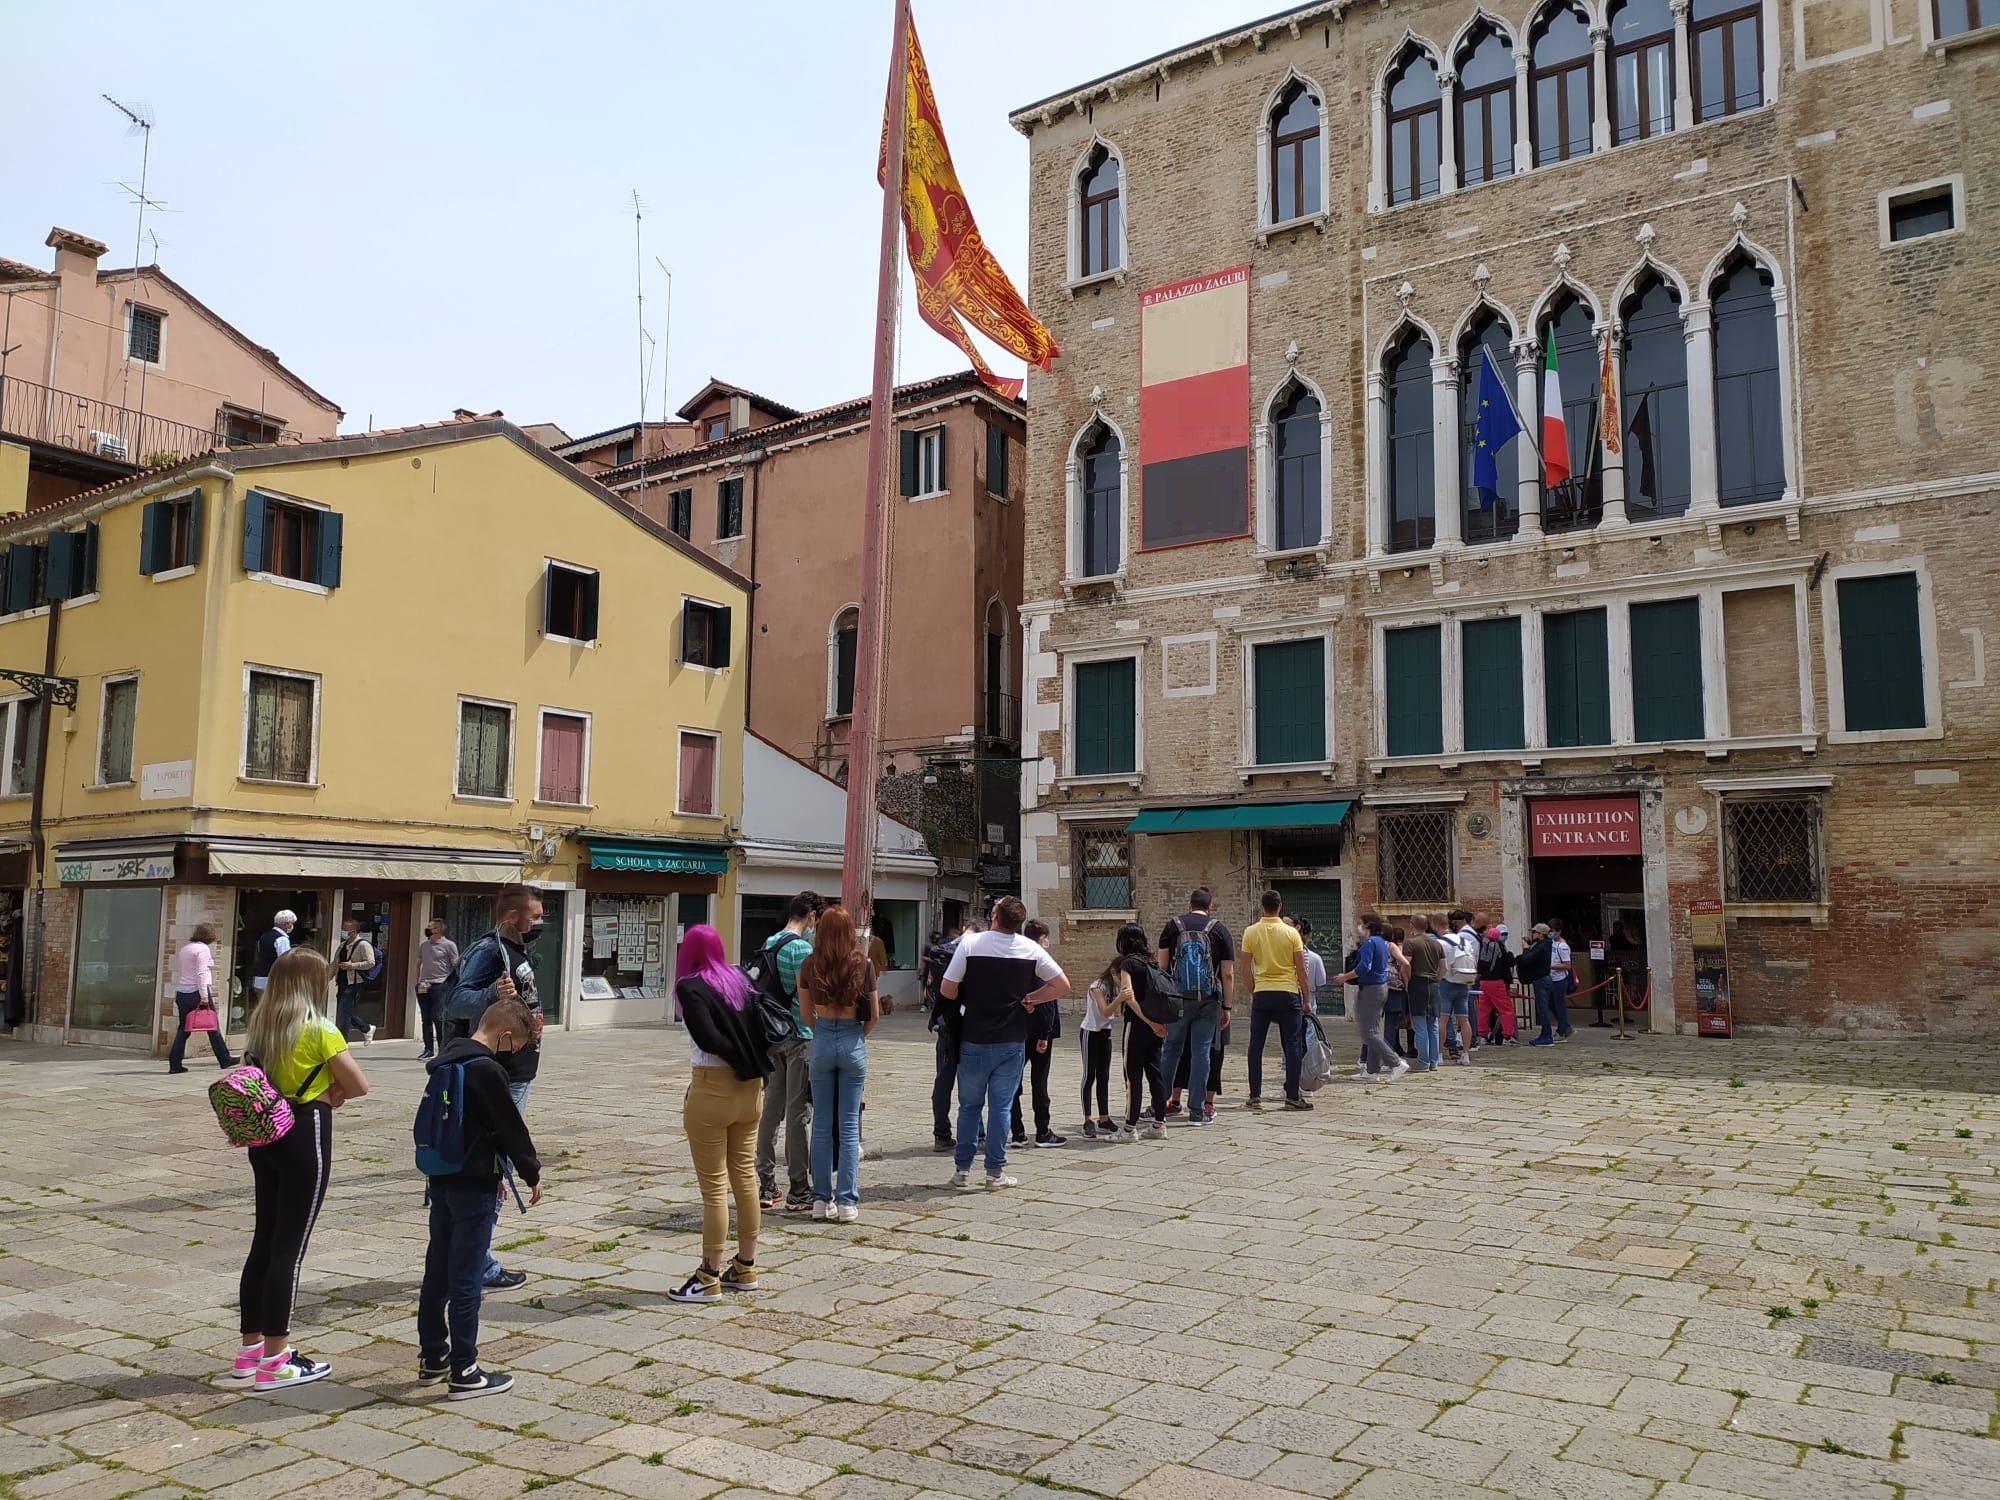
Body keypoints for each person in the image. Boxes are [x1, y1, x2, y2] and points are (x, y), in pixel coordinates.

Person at [226, 948, 368, 1393]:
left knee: (264, 1240)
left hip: (265, 1134)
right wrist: (331, 1092)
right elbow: (359, 1085)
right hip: (306, 1132)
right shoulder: (319, 1029)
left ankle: (250, 1349)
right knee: (292, 1245)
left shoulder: (263, 1029)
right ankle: (276, 1358)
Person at [417, 996, 542, 1397]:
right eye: (516, 1047)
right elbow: (509, 1127)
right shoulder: (486, 1069)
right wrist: (531, 1172)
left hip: (443, 1177)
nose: (513, 1056)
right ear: (505, 1036)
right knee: (468, 1275)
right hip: (474, 1185)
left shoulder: (446, 1059)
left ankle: (433, 1354)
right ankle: (465, 1370)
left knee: (437, 1266)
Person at [442, 884, 546, 1291]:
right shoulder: (489, 951)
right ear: (511, 918)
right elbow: (455, 1002)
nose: (539, 922)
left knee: (494, 1165)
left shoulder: (514, 951)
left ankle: (468, 1255)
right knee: (495, 1167)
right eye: (534, 916)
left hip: (518, 1067)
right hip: (501, 1071)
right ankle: (479, 1263)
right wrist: (489, 994)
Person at [669, 924, 771, 1302]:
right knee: (744, 1176)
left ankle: (707, 1274)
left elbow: (707, 1038)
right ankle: (745, 1266)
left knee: (713, 1188)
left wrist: (734, 1056)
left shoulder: (690, 987)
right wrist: (748, 1060)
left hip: (712, 1089)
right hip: (750, 1090)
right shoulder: (740, 980)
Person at [942, 897, 1069, 1188]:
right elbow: (1062, 985)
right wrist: (1031, 998)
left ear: (994, 916)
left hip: (974, 1036)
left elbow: (948, 989)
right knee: (1000, 1107)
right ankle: (995, 1173)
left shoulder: (971, 945)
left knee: (969, 1107)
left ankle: (962, 1171)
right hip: (1012, 1039)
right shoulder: (1031, 948)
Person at [797, 905, 877, 1221]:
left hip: (823, 1037)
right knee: (847, 1126)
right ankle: (847, 1201)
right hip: (852, 1037)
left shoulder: (809, 965)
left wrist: (823, 1034)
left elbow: (806, 1014)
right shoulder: (863, 964)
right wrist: (857, 1036)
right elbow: (872, 1015)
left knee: (820, 1124)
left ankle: (820, 1200)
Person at [754, 892, 819, 1216]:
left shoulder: (770, 941)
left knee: (771, 1107)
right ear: (810, 916)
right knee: (797, 1112)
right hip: (798, 1035)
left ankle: (766, 1184)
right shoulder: (801, 948)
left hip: (771, 1035)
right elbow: (804, 993)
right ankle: (798, 1187)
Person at [1156, 889, 1233, 1125]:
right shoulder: (1219, 929)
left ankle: (1160, 1106)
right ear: (1210, 907)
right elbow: (1228, 974)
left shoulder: (1172, 926)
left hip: (1177, 999)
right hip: (1208, 1001)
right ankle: (1197, 1112)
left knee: (1170, 1051)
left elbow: (1161, 968)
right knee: (1202, 1052)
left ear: (1189, 904)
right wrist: (1227, 1007)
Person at [1239, 890, 1314, 1110]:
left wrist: (1254, 991)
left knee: (1256, 1044)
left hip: (1263, 993)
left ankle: (1254, 1095)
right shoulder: (1291, 934)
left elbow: (1245, 968)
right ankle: (1292, 1096)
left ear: (1262, 906)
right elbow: (1301, 969)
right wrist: (1306, 999)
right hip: (1288, 993)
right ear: (1280, 907)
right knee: (1292, 1045)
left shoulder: (1251, 932)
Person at [1102, 923, 1167, 1141]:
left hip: (1138, 1025)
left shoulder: (1128, 964)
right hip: (1157, 1025)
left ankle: (1129, 1128)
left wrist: (1147, 1021)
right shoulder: (1152, 962)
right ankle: (1159, 1124)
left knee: (1133, 1076)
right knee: (1155, 1073)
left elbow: (1128, 996)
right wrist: (1156, 1023)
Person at [1011, 918, 1065, 1148]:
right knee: (1039, 1083)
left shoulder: (1017, 961)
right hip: (1038, 1031)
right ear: (1042, 938)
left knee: (1014, 1083)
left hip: (1017, 1030)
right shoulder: (1042, 961)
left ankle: (1017, 1133)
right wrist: (1045, 1033)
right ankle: (1043, 1131)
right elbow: (1048, 1000)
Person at [923, 920, 975, 1153]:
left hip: (945, 1024)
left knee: (943, 1081)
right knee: (973, 1083)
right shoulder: (975, 951)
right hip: (970, 1027)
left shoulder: (944, 951)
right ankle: (977, 1134)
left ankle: (941, 1134)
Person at [1334, 914, 1406, 1082]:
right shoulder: (1382, 943)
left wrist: (1344, 977)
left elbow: (1363, 968)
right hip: (1380, 987)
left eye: (1360, 923)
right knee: (1372, 1030)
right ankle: (1372, 1070)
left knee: (1368, 1032)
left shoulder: (1369, 943)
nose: (1358, 927)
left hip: (1370, 989)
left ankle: (1395, 1062)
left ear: (1367, 925)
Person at [167, 923, 235, 1073]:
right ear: (210, 936)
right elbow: (201, 973)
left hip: (182, 992)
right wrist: (204, 996)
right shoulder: (203, 949)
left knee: (184, 1029)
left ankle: (174, 1063)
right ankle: (225, 1059)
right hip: (196, 992)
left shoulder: (186, 948)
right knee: (212, 1026)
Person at [1077, 953, 1120, 1139]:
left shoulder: (1115, 987)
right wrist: (1121, 998)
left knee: (1104, 1076)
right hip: (1090, 1032)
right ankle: (1087, 1119)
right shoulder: (1097, 987)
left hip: (1105, 1033)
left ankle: (1104, 1117)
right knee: (1089, 1075)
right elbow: (1105, 1011)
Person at [1403, 916, 1445, 1071]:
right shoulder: (1436, 943)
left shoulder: (1410, 943)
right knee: (1432, 1024)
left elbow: (1406, 964)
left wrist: (1407, 982)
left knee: (1419, 1024)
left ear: (1412, 925)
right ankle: (1433, 1061)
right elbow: (1444, 968)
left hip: (1417, 984)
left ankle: (1423, 1061)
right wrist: (1437, 980)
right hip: (1433, 984)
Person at [1438, 910, 1479, 1065]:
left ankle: (1440, 1055)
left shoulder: (1441, 943)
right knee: (1464, 1019)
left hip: (1447, 982)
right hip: (1464, 982)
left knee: (1442, 1019)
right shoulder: (1466, 942)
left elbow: (1440, 965)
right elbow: (1475, 963)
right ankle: (1466, 1054)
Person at [415, 918, 459, 1060]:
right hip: (424, 985)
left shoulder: (449, 945)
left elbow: (455, 965)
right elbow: (418, 963)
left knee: (438, 1017)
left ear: (438, 930)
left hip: (440, 984)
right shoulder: (424, 946)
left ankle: (443, 1049)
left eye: (430, 927)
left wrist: (453, 984)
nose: (427, 929)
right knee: (425, 1018)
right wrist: (418, 981)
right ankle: (428, 1049)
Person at [1528, 919, 1574, 1046]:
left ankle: (1562, 1031)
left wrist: (1550, 967)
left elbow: (1567, 965)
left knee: (1559, 1006)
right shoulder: (1550, 943)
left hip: (1559, 979)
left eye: (1553, 931)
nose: (1551, 934)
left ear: (1558, 931)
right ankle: (1564, 1026)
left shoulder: (1563, 946)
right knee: (1550, 1006)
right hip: (1550, 978)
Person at [333, 916, 378, 1045]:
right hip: (342, 982)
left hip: (355, 983)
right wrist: (326, 979)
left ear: (353, 930)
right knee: (344, 1011)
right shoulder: (343, 945)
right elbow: (335, 964)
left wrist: (352, 965)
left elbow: (371, 962)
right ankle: (367, 1028)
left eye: (344, 928)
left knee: (344, 1012)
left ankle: (342, 1042)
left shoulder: (363, 944)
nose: (342, 930)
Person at [1476, 925, 1518, 1044]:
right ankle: (1507, 1036)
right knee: (1506, 1010)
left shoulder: (1483, 945)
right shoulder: (1499, 947)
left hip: (1484, 982)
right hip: (1497, 982)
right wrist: (1509, 954)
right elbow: (1509, 962)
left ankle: (1482, 1035)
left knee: (1483, 1010)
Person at [251, 910, 295, 995]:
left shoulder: (264, 936)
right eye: (291, 923)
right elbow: (285, 963)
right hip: (274, 983)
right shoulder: (282, 939)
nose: (292, 926)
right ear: (286, 924)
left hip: (259, 981)